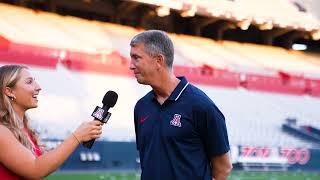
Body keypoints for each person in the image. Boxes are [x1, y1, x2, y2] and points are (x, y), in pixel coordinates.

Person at [130, 30, 232, 180]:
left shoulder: (201, 106)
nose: (131, 66)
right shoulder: (141, 106)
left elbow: (223, 168)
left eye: (136, 58)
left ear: (159, 60)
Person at [0, 64, 103, 179]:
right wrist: (77, 136)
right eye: (29, 82)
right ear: (9, 92)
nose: (38, 87)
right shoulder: (2, 131)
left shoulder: (24, 129)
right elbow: (35, 170)